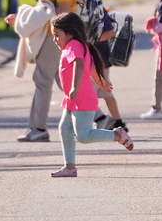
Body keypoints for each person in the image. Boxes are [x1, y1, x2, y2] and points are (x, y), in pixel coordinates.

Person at [6, 0, 80, 143]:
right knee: (64, 82)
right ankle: (99, 119)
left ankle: (38, 128)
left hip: (56, 36)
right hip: (57, 34)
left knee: (42, 80)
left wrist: (56, 33)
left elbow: (64, 8)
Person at [49, 12, 133, 178]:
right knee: (65, 130)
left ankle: (117, 135)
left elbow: (80, 65)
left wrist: (75, 87)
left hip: (82, 99)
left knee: (84, 136)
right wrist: (100, 82)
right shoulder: (79, 45)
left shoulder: (74, 46)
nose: (54, 39)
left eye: (57, 35)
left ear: (69, 33)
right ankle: (70, 167)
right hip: (73, 99)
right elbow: (91, 67)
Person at [78, 0, 128, 132]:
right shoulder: (89, 10)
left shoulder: (95, 11)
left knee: (86, 92)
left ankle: (95, 122)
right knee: (105, 92)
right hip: (100, 58)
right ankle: (118, 123)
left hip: (98, 59)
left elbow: (110, 32)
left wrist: (90, 40)